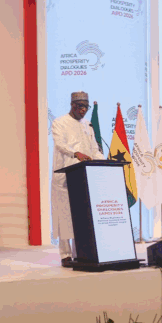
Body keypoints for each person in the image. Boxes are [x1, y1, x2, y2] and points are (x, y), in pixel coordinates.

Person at [51, 91, 104, 265]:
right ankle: (65, 255)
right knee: (64, 215)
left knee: (81, 215)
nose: (83, 110)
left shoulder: (88, 125)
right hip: (64, 176)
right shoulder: (59, 122)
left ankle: (81, 252)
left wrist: (105, 161)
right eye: (80, 107)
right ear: (72, 105)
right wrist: (76, 153)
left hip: (84, 175)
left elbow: (94, 149)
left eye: (86, 107)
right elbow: (60, 144)